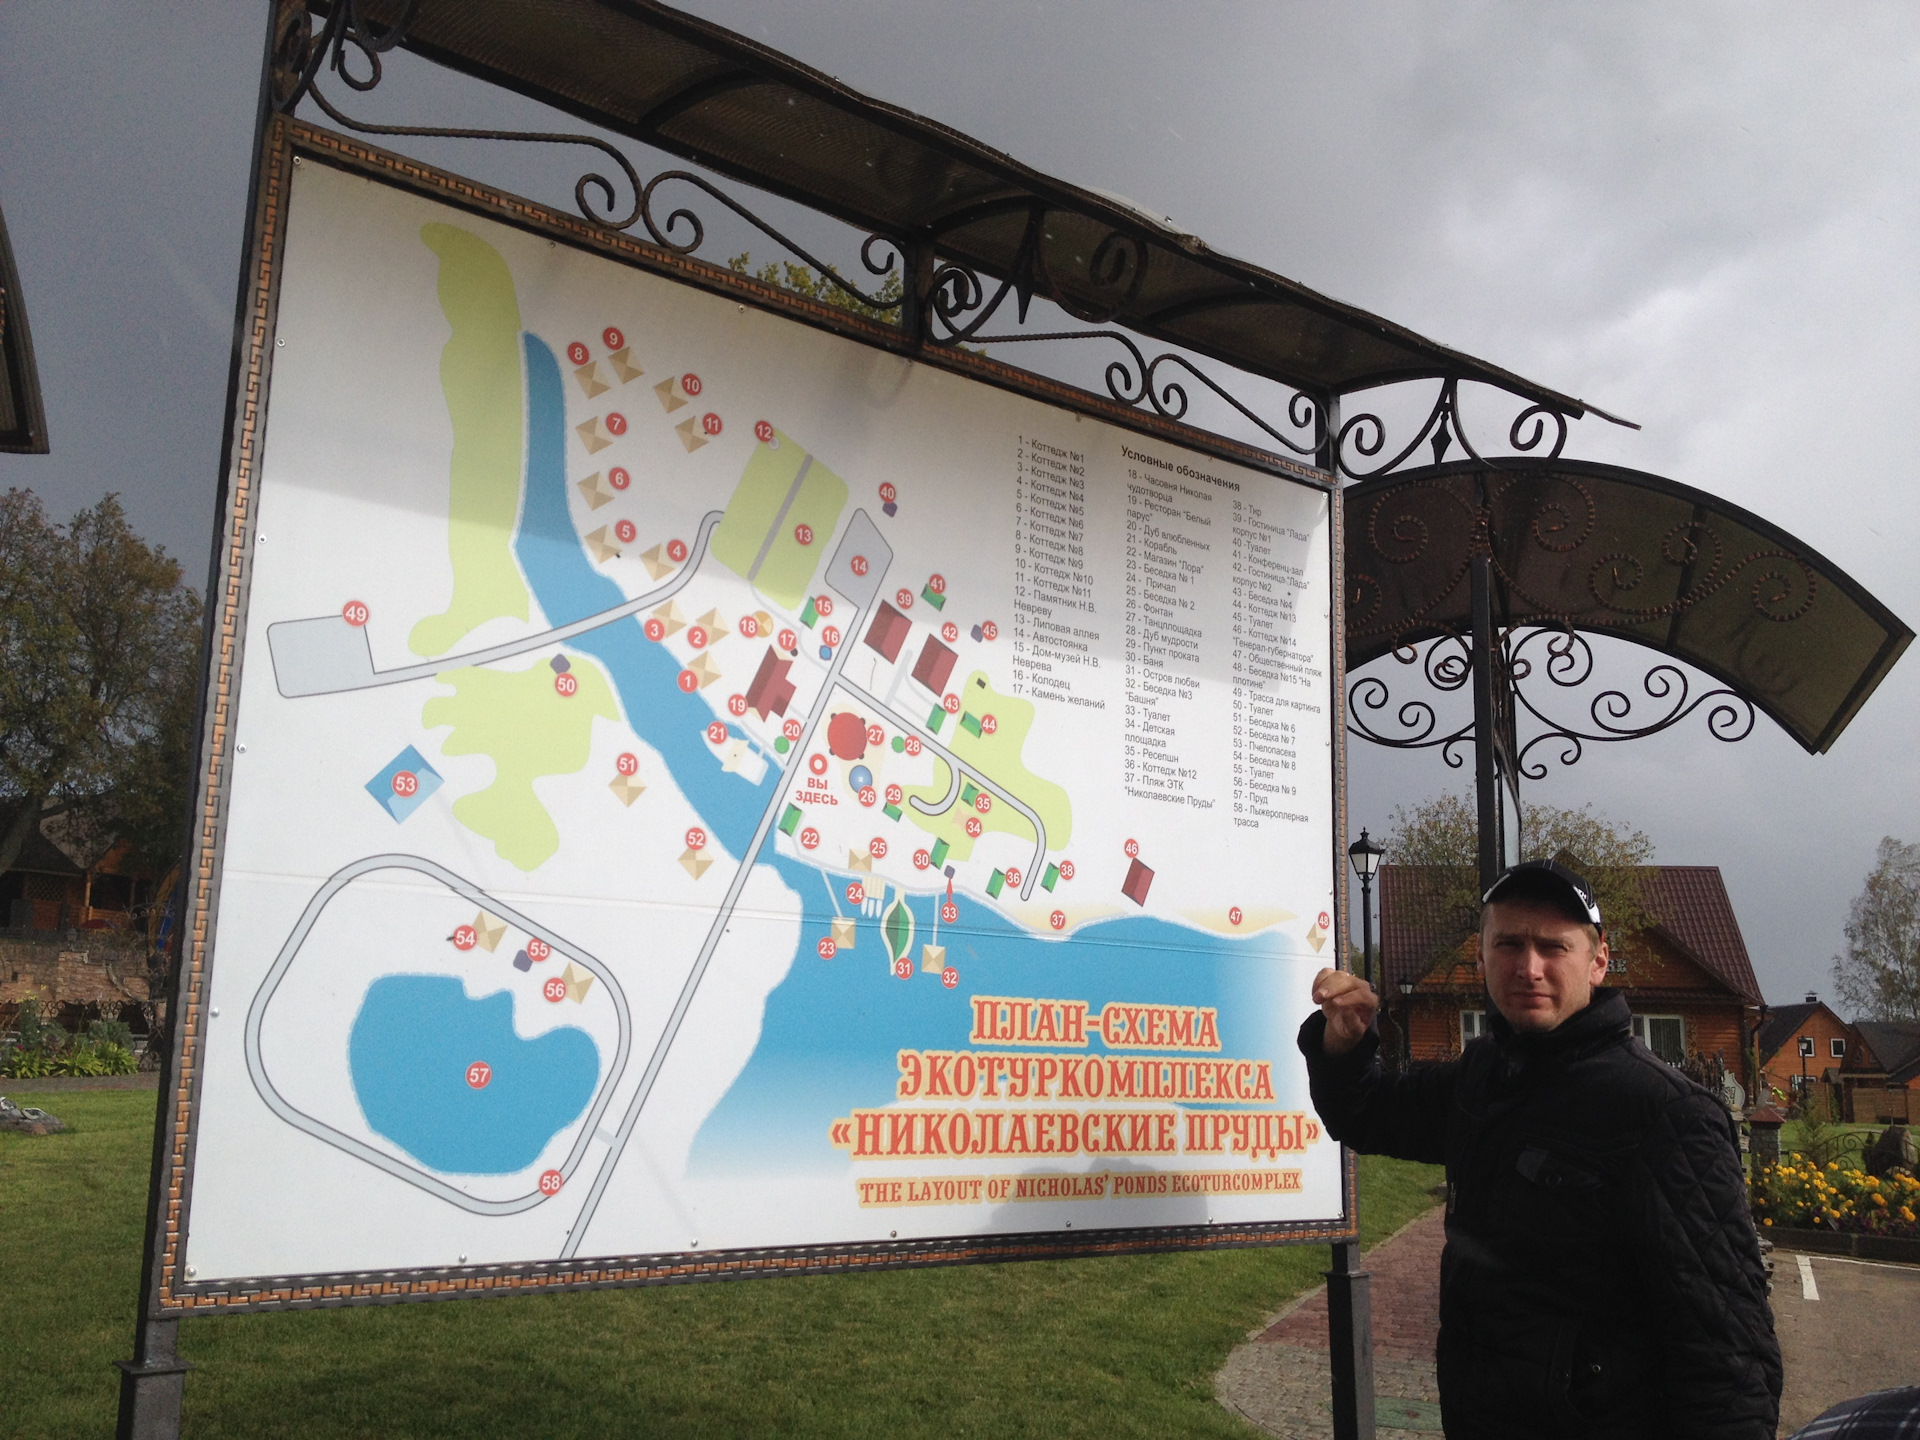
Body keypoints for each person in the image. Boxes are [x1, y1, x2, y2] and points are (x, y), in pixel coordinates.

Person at [1299, 859, 1782, 1438]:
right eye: (1508, 944)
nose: (1529, 968)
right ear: (1482, 958)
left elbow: (1729, 1354)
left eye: (1554, 947)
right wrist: (1345, 1044)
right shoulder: (1485, 1074)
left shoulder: (1664, 1113)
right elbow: (1370, 1114)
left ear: (1598, 960)